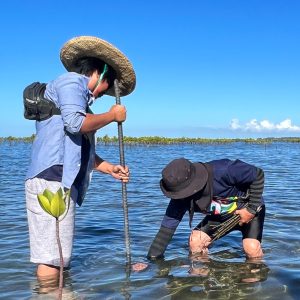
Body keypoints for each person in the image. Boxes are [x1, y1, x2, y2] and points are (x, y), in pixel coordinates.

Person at [25, 36, 136, 280]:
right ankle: (49, 295)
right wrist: (111, 116)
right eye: (108, 84)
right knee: (52, 258)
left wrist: (108, 167)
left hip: (60, 178)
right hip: (51, 177)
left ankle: (57, 293)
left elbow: (75, 148)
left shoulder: (80, 101)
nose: (106, 92)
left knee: (59, 256)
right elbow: (76, 125)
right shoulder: (71, 83)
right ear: (99, 73)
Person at [147, 157, 265, 260]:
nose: (183, 196)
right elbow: (165, 231)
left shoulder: (224, 170)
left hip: (248, 209)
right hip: (221, 216)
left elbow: (258, 174)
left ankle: (257, 282)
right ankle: (204, 280)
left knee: (251, 249)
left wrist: (251, 209)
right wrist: (150, 261)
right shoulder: (180, 198)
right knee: (195, 243)